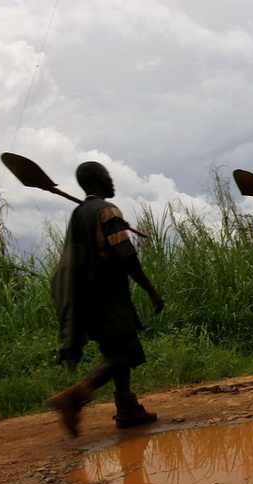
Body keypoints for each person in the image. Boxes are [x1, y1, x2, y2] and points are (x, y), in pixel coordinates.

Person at [48, 161, 164, 437]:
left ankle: (127, 408)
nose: (112, 182)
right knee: (122, 352)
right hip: (107, 296)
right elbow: (126, 254)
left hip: (84, 298)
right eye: (109, 176)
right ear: (99, 179)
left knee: (118, 351)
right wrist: (150, 289)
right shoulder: (106, 211)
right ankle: (74, 396)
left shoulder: (80, 214)